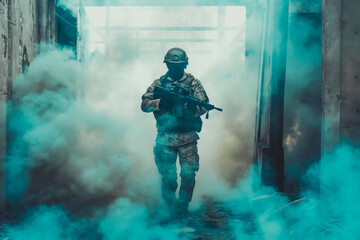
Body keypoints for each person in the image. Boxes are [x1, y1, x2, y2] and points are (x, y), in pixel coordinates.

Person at [141, 47, 209, 219]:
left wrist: (191, 107)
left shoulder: (194, 83)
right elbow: (144, 105)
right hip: (165, 137)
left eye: (178, 65)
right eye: (172, 65)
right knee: (168, 177)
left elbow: (204, 105)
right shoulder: (159, 84)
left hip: (188, 138)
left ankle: (183, 207)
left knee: (188, 174)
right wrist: (161, 102)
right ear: (167, 64)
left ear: (185, 64)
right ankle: (170, 209)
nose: (175, 68)